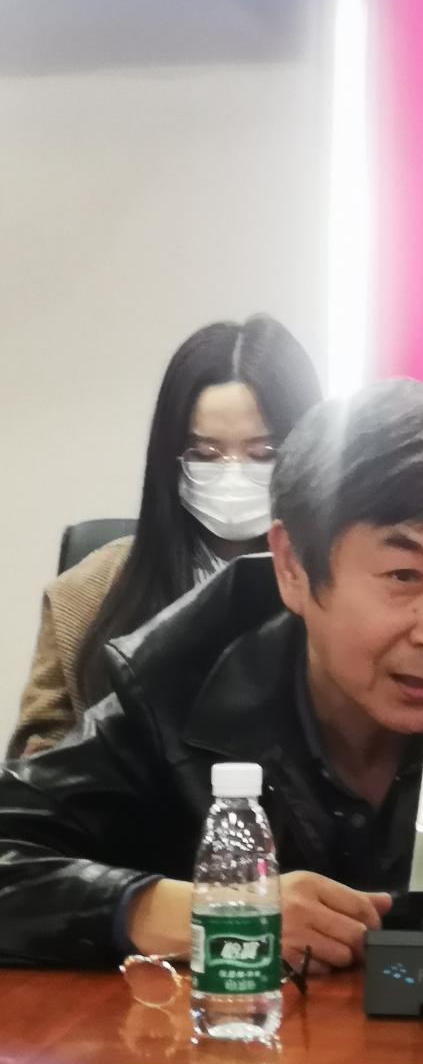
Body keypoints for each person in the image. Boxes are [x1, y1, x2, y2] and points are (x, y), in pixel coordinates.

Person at [0, 379, 423, 972]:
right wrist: (200, 911)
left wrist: (344, 926)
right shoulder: (179, 671)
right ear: (292, 567)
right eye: (403, 575)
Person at [8, 315, 322, 759]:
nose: (232, 473)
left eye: (263, 453)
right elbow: (35, 774)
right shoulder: (82, 597)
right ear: (169, 457)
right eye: (205, 454)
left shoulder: (344, 587)